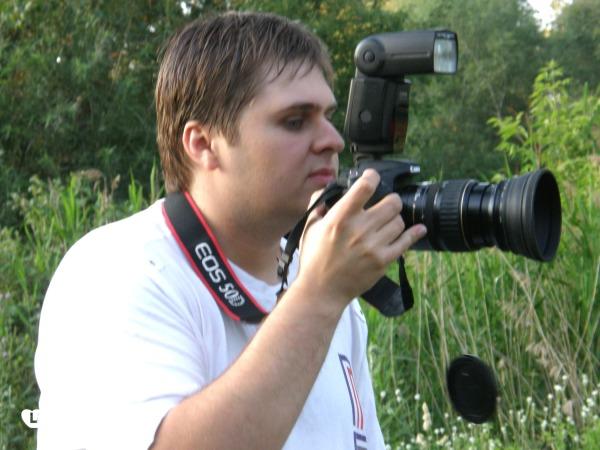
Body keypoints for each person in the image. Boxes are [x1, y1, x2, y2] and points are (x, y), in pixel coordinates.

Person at [34, 11, 426, 450]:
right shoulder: (117, 271)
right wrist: (319, 294)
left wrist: (321, 288)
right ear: (203, 144)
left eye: (328, 116)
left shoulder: (322, 275)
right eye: (295, 121)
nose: (332, 140)